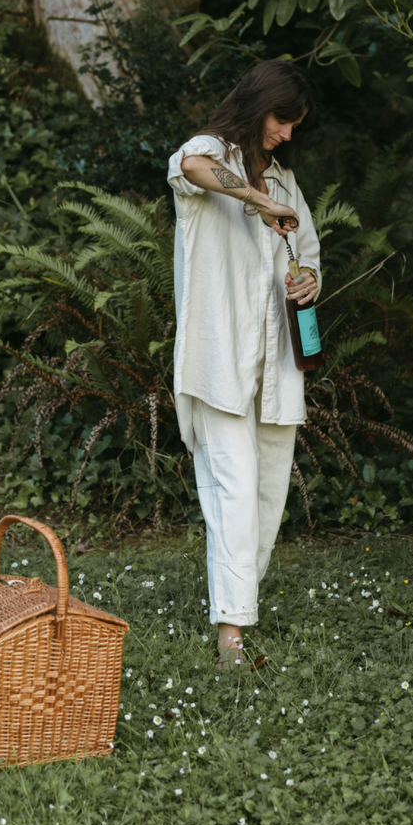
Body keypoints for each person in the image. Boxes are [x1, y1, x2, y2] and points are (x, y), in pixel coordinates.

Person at [167, 59, 321, 668]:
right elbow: (189, 167)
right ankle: (232, 634)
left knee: (266, 492)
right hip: (219, 358)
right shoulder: (212, 154)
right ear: (259, 105)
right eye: (283, 120)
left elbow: (305, 251)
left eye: (294, 125)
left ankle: (239, 604)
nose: (286, 133)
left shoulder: (287, 182)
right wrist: (252, 198)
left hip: (275, 364)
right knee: (233, 487)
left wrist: (307, 281)